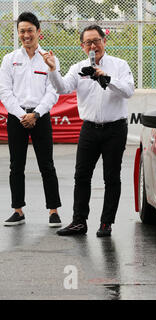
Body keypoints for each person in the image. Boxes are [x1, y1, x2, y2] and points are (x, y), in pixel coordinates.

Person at [40, 24, 135, 237]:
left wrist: (107, 79)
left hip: (115, 129)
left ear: (104, 41)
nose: (93, 46)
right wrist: (53, 69)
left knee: (111, 177)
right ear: (82, 46)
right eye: (88, 42)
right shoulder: (78, 68)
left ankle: (106, 223)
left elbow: (129, 91)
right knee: (82, 176)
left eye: (96, 41)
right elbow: (62, 88)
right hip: (89, 129)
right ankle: (79, 222)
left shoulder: (119, 65)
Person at [0, 12, 62, 227]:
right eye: (22, 31)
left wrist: (35, 114)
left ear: (39, 33)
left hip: (40, 117)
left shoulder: (49, 59)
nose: (26, 35)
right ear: (18, 34)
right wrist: (20, 115)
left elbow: (53, 91)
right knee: (16, 165)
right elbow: (5, 91)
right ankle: (18, 210)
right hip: (17, 117)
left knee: (47, 164)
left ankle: (53, 211)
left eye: (30, 31)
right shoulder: (10, 59)